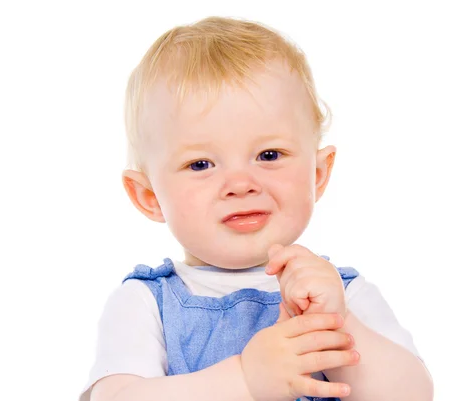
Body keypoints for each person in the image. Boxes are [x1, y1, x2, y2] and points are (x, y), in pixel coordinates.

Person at [80, 16, 433, 401]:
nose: (241, 184)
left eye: (268, 155)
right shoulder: (145, 304)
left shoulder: (341, 294)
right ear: (148, 196)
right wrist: (245, 381)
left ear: (317, 174)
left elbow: (413, 394)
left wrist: (337, 324)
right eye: (201, 164)